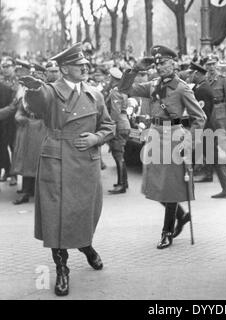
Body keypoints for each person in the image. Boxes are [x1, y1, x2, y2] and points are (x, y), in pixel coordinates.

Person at [19, 43, 115, 297]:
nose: (85, 67)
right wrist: (33, 89)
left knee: (85, 211)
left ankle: (86, 246)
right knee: (56, 217)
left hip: (86, 160)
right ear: (63, 69)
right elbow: (38, 104)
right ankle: (62, 269)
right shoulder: (50, 91)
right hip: (57, 158)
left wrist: (96, 138)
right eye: (78, 65)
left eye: (85, 64)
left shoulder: (95, 94)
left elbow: (108, 125)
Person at [118, 45, 206, 249]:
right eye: (157, 63)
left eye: (164, 62)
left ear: (173, 64)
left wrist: (190, 142)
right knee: (154, 185)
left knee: (170, 186)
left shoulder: (182, 88)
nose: (160, 67)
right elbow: (125, 89)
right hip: (154, 135)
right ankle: (182, 216)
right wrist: (134, 69)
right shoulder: (153, 85)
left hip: (174, 137)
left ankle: (167, 232)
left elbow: (199, 117)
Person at [196, 56, 226, 198]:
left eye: (213, 64)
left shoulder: (223, 79)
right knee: (209, 145)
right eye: (208, 64)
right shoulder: (204, 81)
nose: (211, 67)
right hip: (209, 114)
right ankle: (209, 172)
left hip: (220, 113)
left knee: (222, 143)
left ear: (217, 64)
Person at [11, 63, 47, 205]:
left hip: (42, 128)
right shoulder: (27, 92)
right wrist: (19, 117)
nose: (36, 76)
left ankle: (39, 191)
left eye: (39, 74)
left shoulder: (48, 91)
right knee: (27, 160)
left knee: (41, 161)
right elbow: (20, 110)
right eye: (34, 74)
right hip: (28, 129)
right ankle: (26, 190)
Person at [105, 67, 131, 194]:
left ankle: (121, 184)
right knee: (120, 153)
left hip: (119, 124)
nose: (108, 79)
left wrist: (110, 127)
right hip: (125, 123)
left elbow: (115, 112)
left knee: (118, 154)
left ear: (113, 78)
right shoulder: (122, 91)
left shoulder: (115, 92)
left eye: (109, 77)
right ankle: (123, 182)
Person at [0, 57, 18, 186]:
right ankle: (7, 170)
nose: (5, 69)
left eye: (8, 66)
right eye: (3, 66)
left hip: (14, 119)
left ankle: (15, 174)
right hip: (2, 121)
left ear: (14, 67)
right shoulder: (0, 81)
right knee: (2, 148)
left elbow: (17, 103)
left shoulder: (19, 82)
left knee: (14, 147)